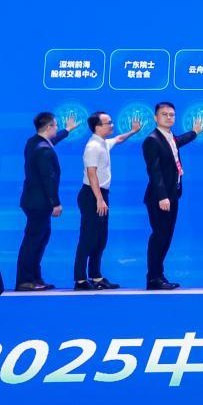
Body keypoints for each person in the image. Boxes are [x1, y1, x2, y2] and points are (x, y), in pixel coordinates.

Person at [74, 111, 140, 291]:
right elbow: (91, 174)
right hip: (92, 195)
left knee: (100, 238)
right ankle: (80, 280)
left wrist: (133, 131)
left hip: (100, 195)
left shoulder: (102, 142)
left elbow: (118, 139)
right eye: (108, 123)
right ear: (97, 127)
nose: (112, 125)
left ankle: (96, 276)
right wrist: (99, 199)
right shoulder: (92, 147)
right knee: (88, 237)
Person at [142, 102, 202, 290]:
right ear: (155, 117)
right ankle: (153, 278)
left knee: (166, 236)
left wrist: (194, 132)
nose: (169, 117)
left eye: (172, 115)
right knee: (159, 236)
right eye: (164, 114)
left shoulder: (169, 137)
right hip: (160, 198)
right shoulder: (152, 140)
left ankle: (159, 276)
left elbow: (179, 142)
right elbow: (154, 171)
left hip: (173, 194)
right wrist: (162, 196)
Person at [16, 111, 77, 291]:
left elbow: (52, 141)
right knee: (33, 242)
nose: (57, 128)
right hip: (39, 203)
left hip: (33, 201)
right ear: (49, 127)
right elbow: (48, 178)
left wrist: (67, 130)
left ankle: (34, 278)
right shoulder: (43, 150)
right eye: (56, 126)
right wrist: (55, 203)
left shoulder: (33, 142)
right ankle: (25, 280)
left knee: (39, 240)